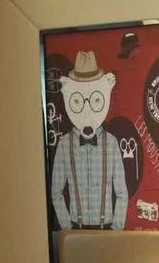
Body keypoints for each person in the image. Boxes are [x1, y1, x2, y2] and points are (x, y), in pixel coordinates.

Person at [51, 51, 128, 230]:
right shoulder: (64, 144)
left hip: (106, 229)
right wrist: (68, 229)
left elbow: (122, 192)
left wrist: (115, 229)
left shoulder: (111, 143)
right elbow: (56, 192)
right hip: (75, 229)